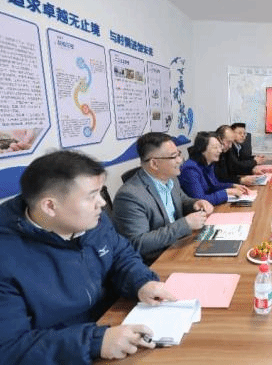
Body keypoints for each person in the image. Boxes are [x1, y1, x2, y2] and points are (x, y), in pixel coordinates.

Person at [0, 150, 176, 363]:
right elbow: (10, 348)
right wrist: (95, 342)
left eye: (100, 192)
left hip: (113, 325)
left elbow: (121, 254)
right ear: (50, 206)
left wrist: (141, 282)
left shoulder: (93, 221)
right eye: (91, 196)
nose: (102, 203)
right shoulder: (7, 257)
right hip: (70, 351)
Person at [112, 132, 213, 264]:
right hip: (157, 261)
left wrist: (195, 203)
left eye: (179, 153)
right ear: (154, 164)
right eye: (173, 156)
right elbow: (138, 243)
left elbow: (182, 200)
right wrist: (185, 224)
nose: (180, 160)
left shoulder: (171, 178)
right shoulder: (129, 196)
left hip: (180, 246)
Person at [179, 131, 249, 204]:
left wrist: (233, 186)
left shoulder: (209, 164)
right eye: (215, 147)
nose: (220, 151)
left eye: (219, 147)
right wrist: (226, 192)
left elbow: (214, 185)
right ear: (202, 149)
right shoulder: (190, 169)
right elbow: (200, 200)